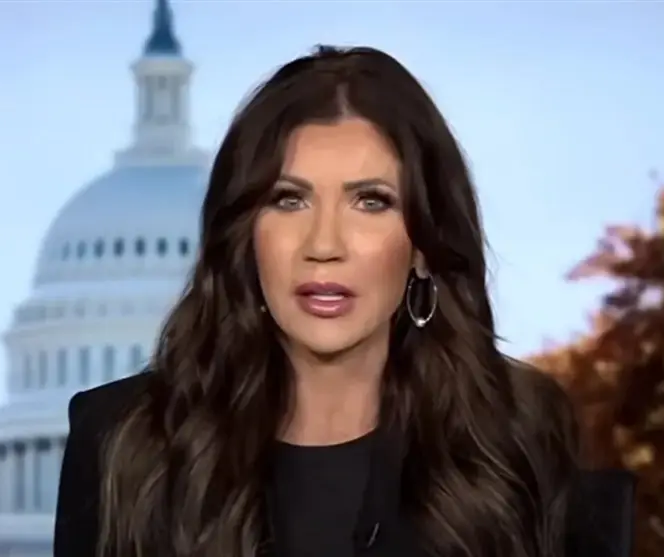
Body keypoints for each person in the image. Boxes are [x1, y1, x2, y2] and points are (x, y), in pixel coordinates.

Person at [54, 45, 634, 557]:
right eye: (289, 200)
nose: (324, 245)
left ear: (424, 245)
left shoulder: (523, 441)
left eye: (370, 201)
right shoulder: (122, 444)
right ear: (244, 237)